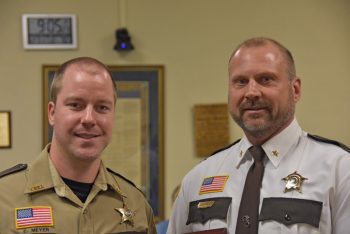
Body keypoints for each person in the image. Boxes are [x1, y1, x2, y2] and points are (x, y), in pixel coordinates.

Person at [167, 37, 350, 234]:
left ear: (295, 90)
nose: (251, 92)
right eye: (241, 82)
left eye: (266, 79)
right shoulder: (198, 178)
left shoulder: (339, 171)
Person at [0, 57, 156, 233]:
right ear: (52, 113)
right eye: (76, 105)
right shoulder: (4, 199)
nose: (89, 118)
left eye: (102, 107)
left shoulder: (135, 203)